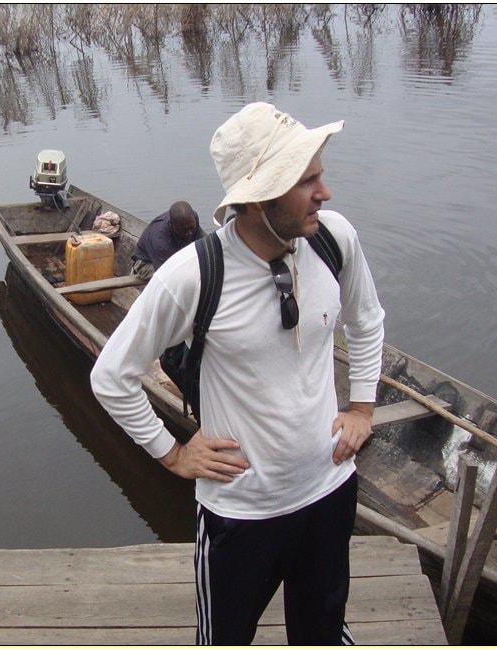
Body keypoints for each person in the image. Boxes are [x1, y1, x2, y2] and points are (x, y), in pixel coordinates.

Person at [90, 102, 385, 645]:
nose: (326, 193)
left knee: (322, 633)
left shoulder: (333, 239)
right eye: (308, 181)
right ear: (258, 200)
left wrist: (362, 406)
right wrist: (172, 453)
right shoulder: (195, 275)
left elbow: (367, 321)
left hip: (329, 489)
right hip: (242, 512)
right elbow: (111, 376)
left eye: (321, 176)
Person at [131, 201, 202, 281]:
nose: (190, 233)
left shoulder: (192, 219)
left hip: (177, 256)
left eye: (192, 227)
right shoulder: (160, 239)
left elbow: (202, 245)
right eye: (184, 230)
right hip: (147, 263)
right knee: (178, 279)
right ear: (172, 225)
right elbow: (166, 273)